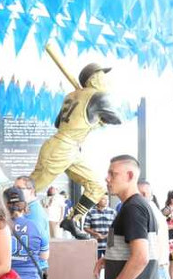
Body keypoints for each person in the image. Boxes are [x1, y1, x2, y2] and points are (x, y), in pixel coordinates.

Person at [29, 63, 122, 239]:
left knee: (97, 186)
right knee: (29, 189)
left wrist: (94, 115)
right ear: (93, 79)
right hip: (62, 147)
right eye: (102, 75)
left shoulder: (71, 96)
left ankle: (72, 220)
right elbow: (117, 118)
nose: (105, 80)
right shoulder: (99, 96)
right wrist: (100, 117)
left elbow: (58, 123)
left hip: (69, 147)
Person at [84, 194, 117, 259]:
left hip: (109, 243)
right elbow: (86, 227)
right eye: (104, 199)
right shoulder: (91, 212)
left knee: (109, 264)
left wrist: (108, 234)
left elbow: (117, 227)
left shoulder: (113, 212)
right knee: (95, 263)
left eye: (107, 199)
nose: (106, 201)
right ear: (98, 200)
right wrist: (95, 234)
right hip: (96, 243)